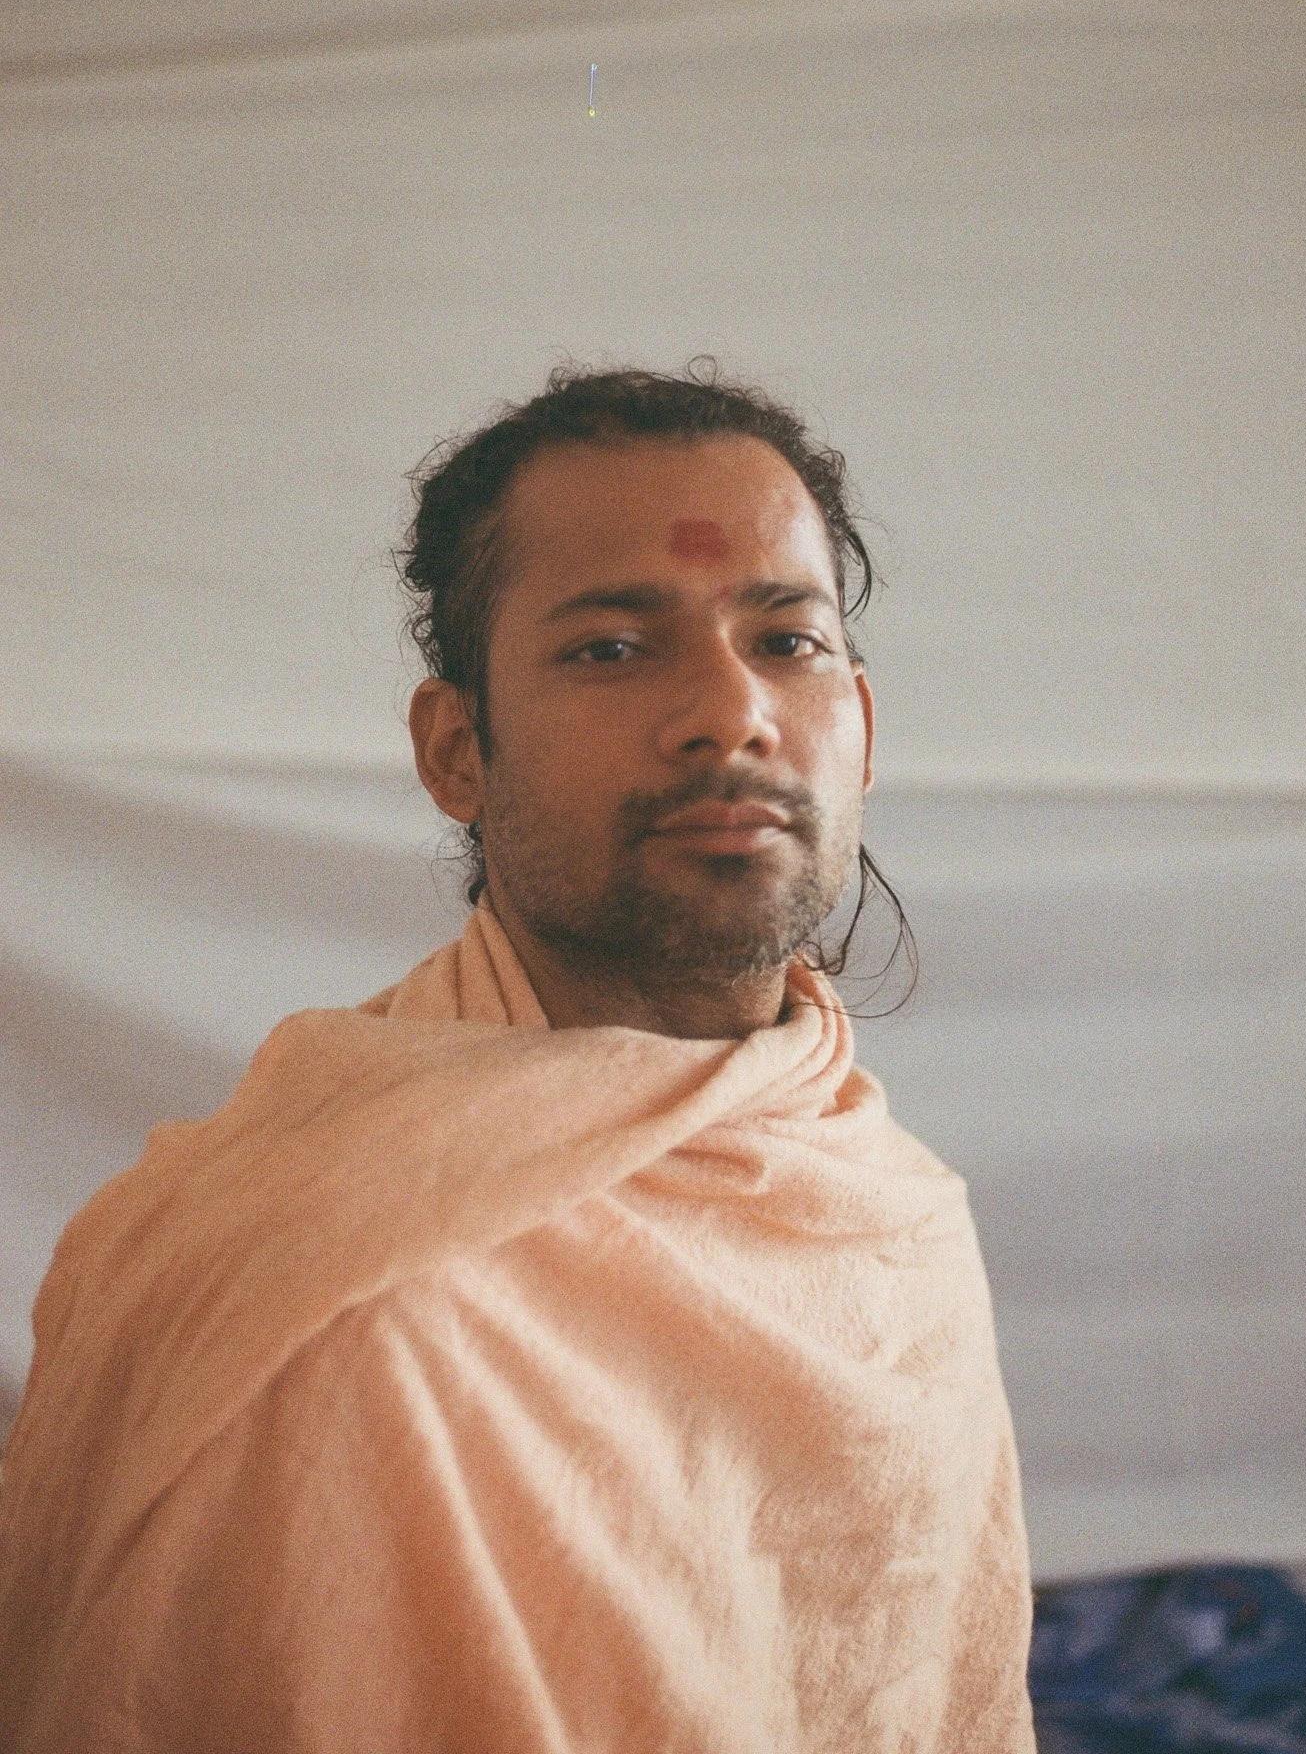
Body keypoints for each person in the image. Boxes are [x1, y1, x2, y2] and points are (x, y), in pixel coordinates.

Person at [0, 365, 1036, 1752]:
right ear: (453, 753)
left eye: (786, 641)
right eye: (612, 648)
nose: (728, 714)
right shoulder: (330, 1287)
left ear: (862, 721)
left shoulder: (890, 1204)